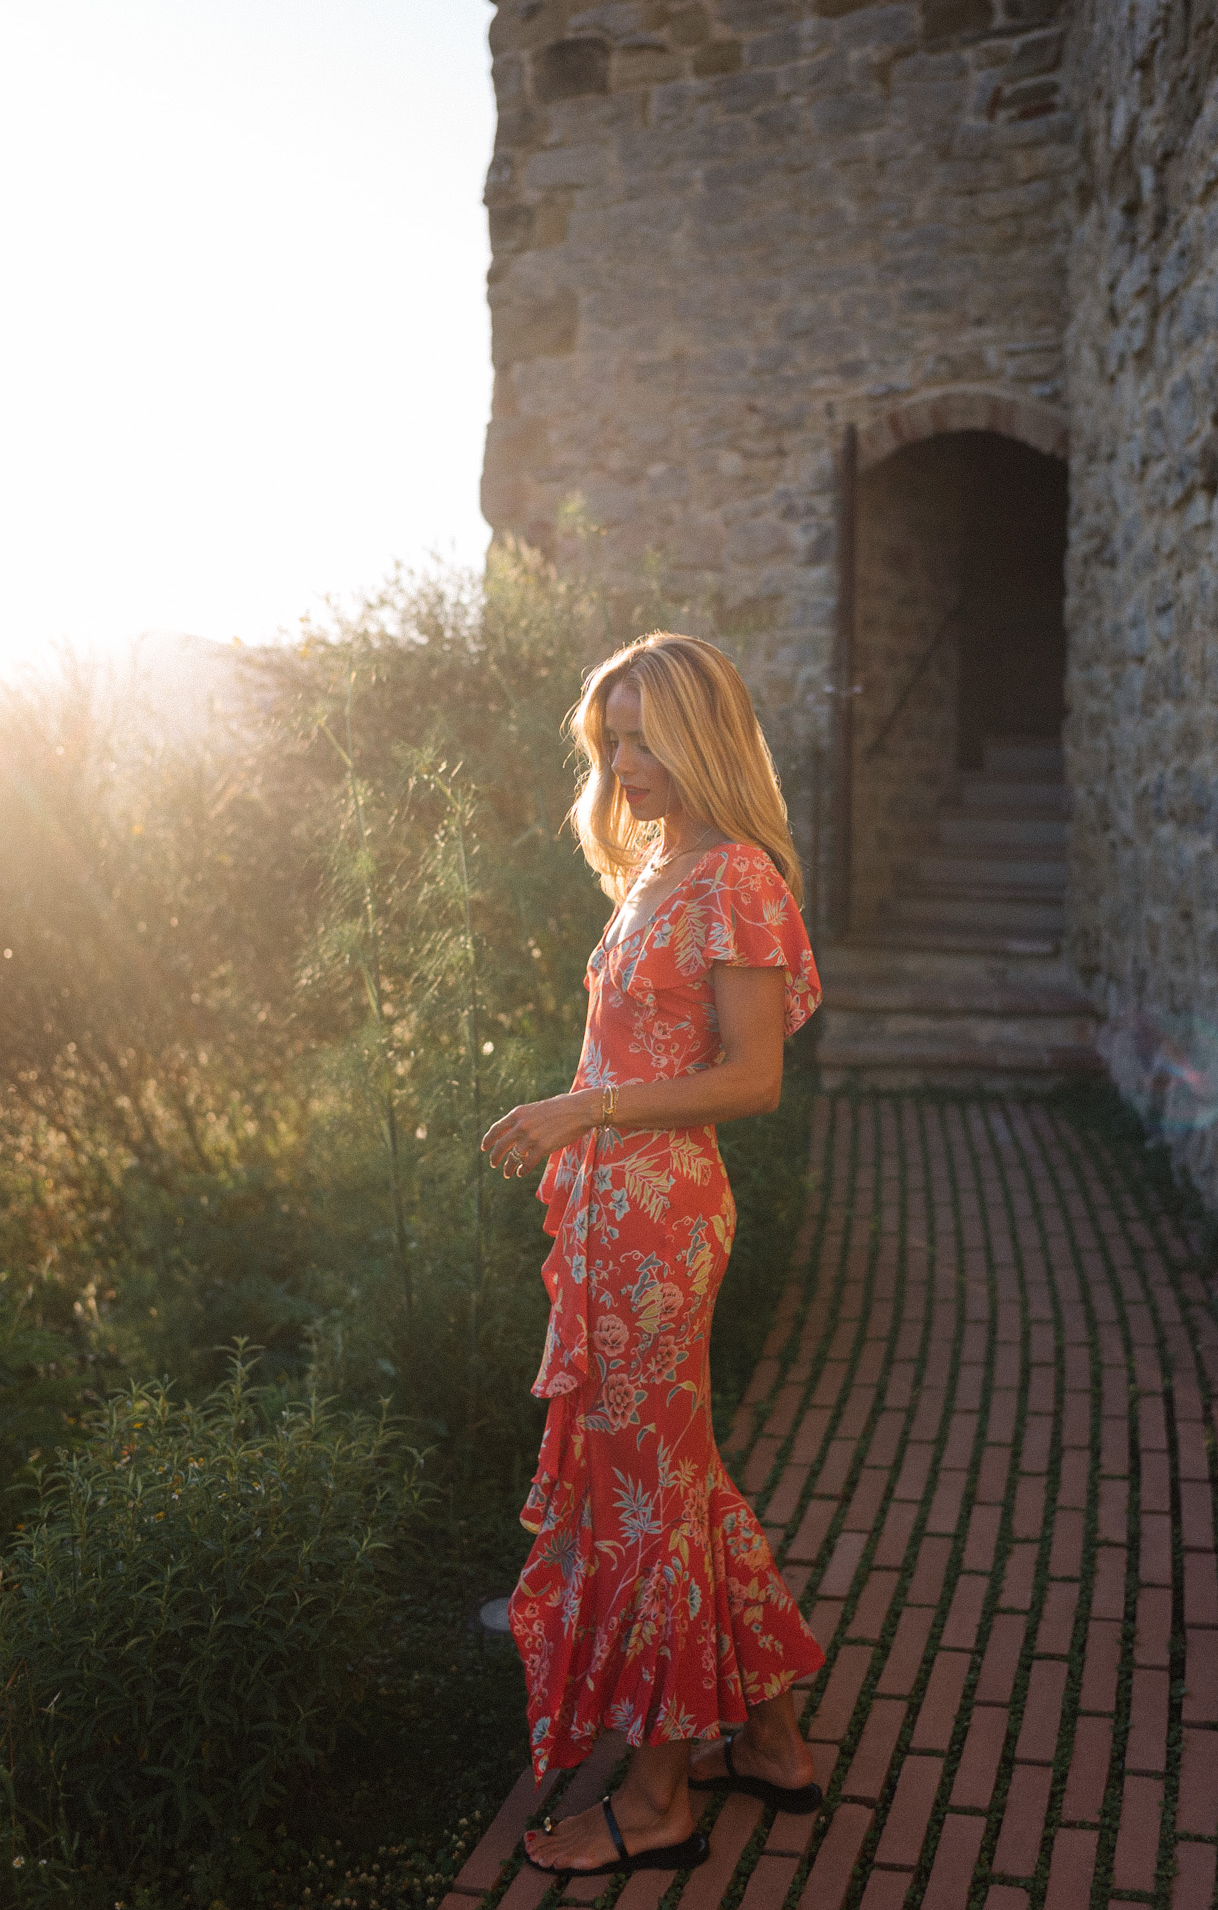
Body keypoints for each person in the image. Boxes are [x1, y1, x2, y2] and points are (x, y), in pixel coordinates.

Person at [481, 632, 826, 1880]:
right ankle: (776, 1747)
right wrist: (582, 1136)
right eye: (612, 736)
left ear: (703, 736)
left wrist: (583, 1112)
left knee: (643, 1499)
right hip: (610, 1215)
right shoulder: (655, 868)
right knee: (675, 1479)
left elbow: (752, 1078)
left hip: (661, 1225)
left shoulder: (732, 875)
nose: (626, 760)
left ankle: (664, 1791)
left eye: (647, 735)